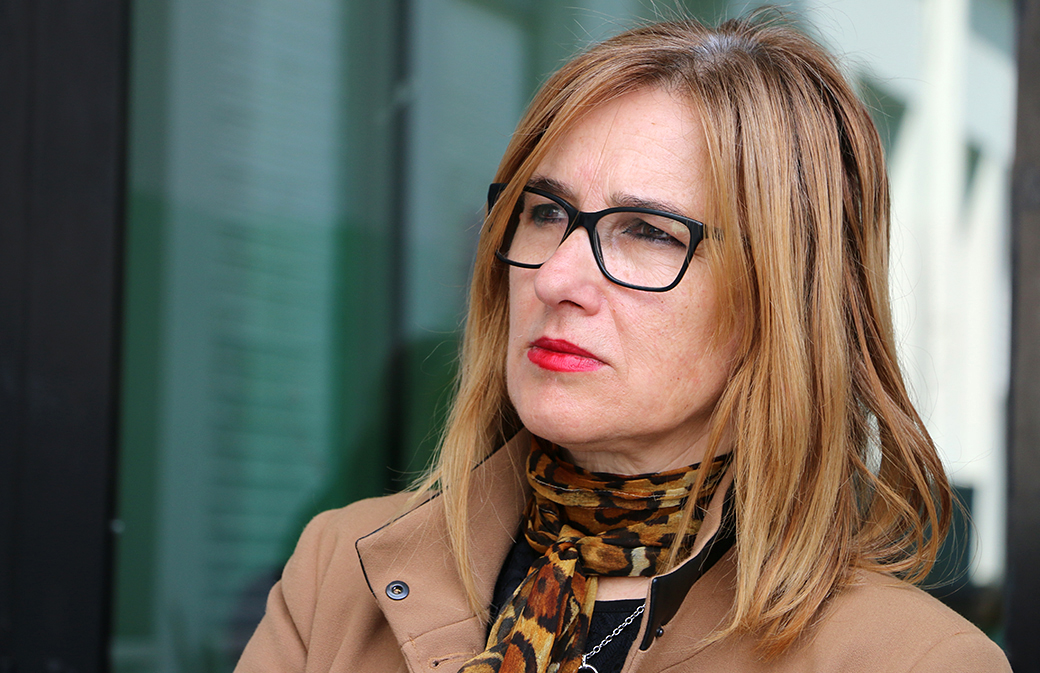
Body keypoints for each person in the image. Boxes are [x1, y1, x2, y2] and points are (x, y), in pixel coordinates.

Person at [236, 12, 1011, 673]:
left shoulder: (911, 658)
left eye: (647, 231)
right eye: (545, 212)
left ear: (778, 301)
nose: (557, 277)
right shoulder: (340, 571)